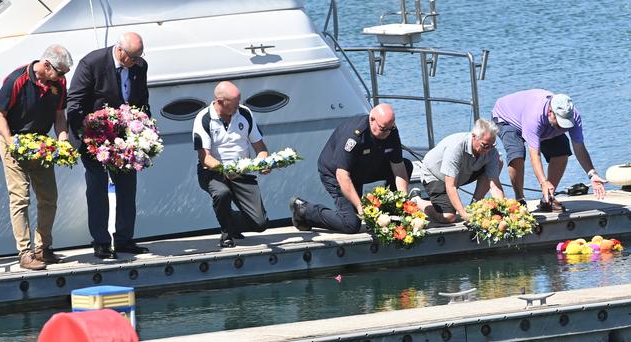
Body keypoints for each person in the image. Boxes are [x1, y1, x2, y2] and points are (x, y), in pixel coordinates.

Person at [67, 32, 150, 259]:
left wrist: (144, 129)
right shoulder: (92, 63)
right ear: (120, 50)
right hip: (94, 137)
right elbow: (74, 103)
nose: (135, 62)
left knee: (127, 186)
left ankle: (124, 239)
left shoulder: (140, 66)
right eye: (132, 57)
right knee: (97, 187)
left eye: (138, 57)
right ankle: (101, 241)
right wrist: (86, 133)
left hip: (125, 137)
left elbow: (142, 100)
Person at [0, 45, 73, 270]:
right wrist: (11, 143)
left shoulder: (59, 83)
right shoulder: (16, 80)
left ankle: (43, 248)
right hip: (14, 139)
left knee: (49, 197)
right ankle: (25, 253)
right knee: (20, 197)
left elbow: (59, 115)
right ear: (46, 66)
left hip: (40, 143)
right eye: (60, 72)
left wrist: (63, 139)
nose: (63, 77)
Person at [290, 103, 412, 234]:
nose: (387, 133)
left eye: (390, 128)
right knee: (350, 224)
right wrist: (360, 207)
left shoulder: (389, 129)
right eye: (383, 129)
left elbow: (398, 167)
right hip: (337, 174)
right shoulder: (354, 136)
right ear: (372, 120)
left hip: (364, 168)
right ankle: (304, 211)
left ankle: (390, 214)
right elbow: (342, 176)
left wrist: (403, 201)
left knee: (406, 165)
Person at [492, 89, 606, 211]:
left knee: (562, 150)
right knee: (517, 154)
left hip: (541, 123)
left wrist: (592, 174)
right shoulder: (534, 116)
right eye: (561, 123)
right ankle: (520, 199)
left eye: (566, 124)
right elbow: (535, 154)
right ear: (550, 112)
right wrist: (543, 182)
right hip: (507, 119)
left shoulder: (573, 115)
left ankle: (547, 198)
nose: (563, 127)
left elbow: (579, 147)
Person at [193, 81, 269, 248]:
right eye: (234, 103)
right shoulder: (204, 118)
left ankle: (230, 221)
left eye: (239, 101)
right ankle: (226, 234)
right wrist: (226, 169)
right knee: (222, 193)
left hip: (242, 172)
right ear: (220, 102)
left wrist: (264, 161)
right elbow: (204, 158)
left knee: (260, 224)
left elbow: (261, 148)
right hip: (213, 172)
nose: (238, 106)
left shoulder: (245, 113)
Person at [414, 118, 505, 223]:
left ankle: (474, 206)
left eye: (491, 146)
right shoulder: (456, 147)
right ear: (474, 137)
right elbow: (451, 186)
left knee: (498, 161)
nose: (488, 150)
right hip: (435, 175)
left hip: (461, 173)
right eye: (484, 145)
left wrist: (503, 211)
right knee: (449, 217)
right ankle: (417, 201)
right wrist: (464, 215)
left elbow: (495, 186)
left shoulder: (491, 150)